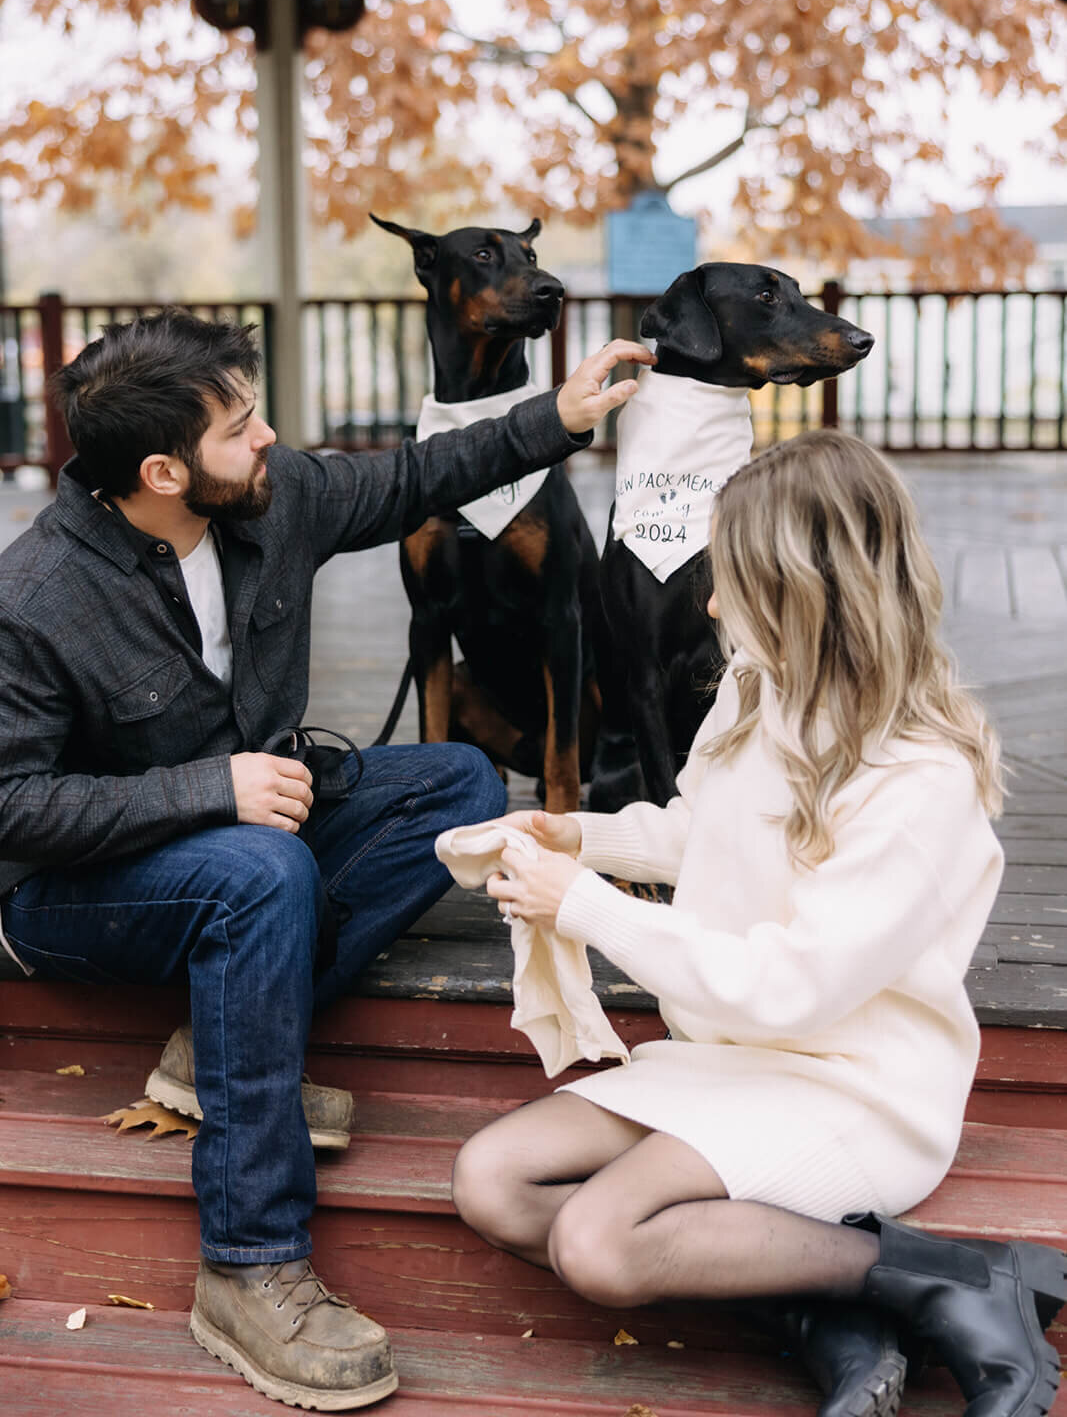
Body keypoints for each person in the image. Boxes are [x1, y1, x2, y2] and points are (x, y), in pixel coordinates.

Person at [0, 308, 650, 1411]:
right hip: (75, 894)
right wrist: (213, 790)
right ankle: (249, 1265)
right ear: (161, 470)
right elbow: (13, 807)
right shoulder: (35, 597)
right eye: (239, 426)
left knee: (450, 780)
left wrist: (558, 415)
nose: (267, 439)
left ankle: (216, 1049)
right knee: (265, 875)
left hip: (252, 837)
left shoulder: (268, 496)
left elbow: (410, 477)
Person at [452, 429, 1066, 1417]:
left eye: (725, 576)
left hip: (852, 1085)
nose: (705, 601)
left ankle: (957, 1278)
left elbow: (792, 985)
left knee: (598, 1242)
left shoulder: (921, 776)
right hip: (731, 1057)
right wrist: (578, 835)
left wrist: (586, 908)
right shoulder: (756, 685)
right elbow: (706, 833)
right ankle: (822, 1305)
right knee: (491, 1179)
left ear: (797, 588)